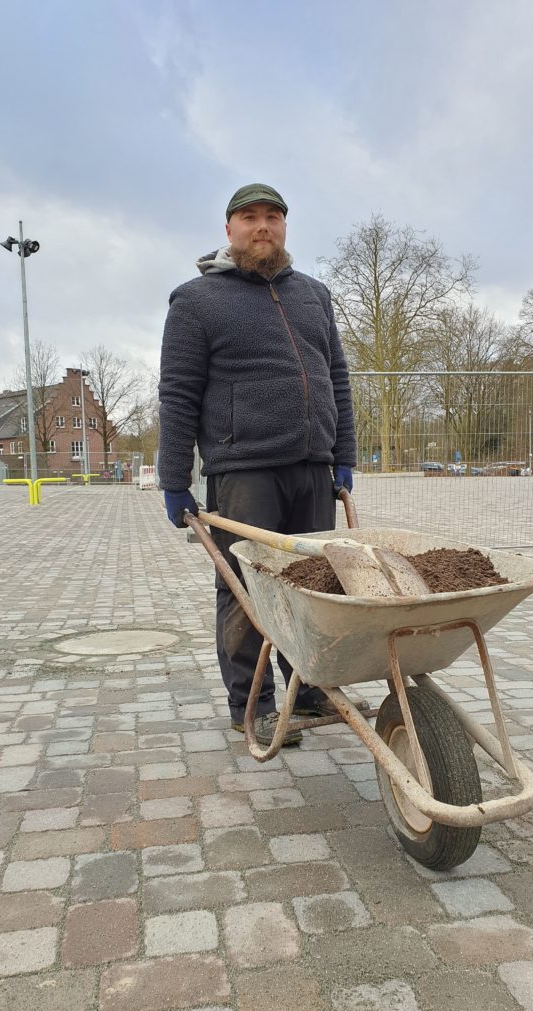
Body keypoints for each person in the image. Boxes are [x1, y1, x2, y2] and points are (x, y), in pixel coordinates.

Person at [158, 183, 361, 746]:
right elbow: (176, 394)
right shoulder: (196, 300)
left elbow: (336, 377)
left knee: (317, 585)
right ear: (229, 230)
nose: (262, 226)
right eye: (249, 217)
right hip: (243, 469)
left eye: (273, 216)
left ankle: (313, 688)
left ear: (285, 227)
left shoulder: (314, 295)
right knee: (248, 589)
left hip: (311, 465)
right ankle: (255, 703)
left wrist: (343, 454)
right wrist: (174, 480)